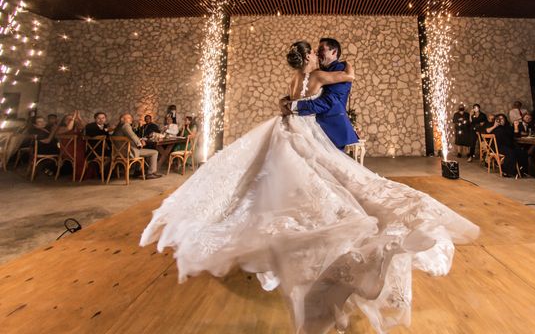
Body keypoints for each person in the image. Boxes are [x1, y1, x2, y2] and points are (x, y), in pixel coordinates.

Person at [140, 40, 479, 334]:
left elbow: (291, 100)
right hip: (304, 127)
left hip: (288, 125)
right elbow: (347, 76)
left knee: (283, 172)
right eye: (315, 55)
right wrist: (348, 65)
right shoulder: (317, 76)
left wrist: (290, 102)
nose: (319, 57)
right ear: (310, 60)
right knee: (318, 171)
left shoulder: (296, 77)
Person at [281, 38, 359, 151]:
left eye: (321, 49)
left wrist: (293, 106)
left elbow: (329, 101)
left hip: (332, 128)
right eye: (315, 50)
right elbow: (303, 94)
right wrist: (284, 101)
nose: (317, 52)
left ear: (334, 52)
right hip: (313, 128)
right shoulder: (316, 72)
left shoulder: (340, 69)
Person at [113, 114, 160, 179]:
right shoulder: (125, 125)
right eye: (129, 118)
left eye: (131, 117)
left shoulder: (118, 128)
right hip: (128, 152)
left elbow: (131, 136)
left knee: (139, 151)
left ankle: (137, 172)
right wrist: (139, 144)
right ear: (122, 119)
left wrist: (140, 140)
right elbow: (132, 136)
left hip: (118, 153)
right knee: (154, 152)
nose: (131, 119)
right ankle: (151, 173)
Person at [56, 111, 86, 177]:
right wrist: (73, 118)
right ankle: (79, 175)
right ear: (64, 121)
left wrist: (79, 118)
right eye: (68, 119)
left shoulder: (76, 128)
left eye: (71, 119)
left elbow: (83, 127)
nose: (70, 121)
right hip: (67, 150)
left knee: (88, 154)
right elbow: (68, 128)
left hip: (78, 148)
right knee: (82, 155)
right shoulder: (61, 128)